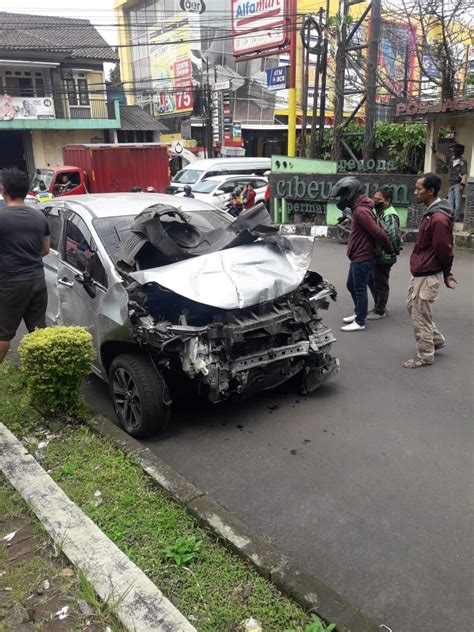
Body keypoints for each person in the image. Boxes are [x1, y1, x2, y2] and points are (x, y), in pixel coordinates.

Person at [402, 173, 456, 369]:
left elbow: (445, 249)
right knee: (412, 306)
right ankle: (436, 340)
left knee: (419, 314)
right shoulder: (431, 213)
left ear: (431, 191)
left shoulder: (438, 218)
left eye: (419, 189)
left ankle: (425, 355)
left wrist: (447, 272)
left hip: (428, 272)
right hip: (420, 271)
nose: (415, 192)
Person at [0, 168, 51, 363]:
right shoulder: (40, 217)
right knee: (38, 332)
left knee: (3, 333)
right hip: (37, 280)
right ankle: (42, 372)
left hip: (10, 283)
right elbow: (45, 250)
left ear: (4, 190)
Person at [330, 176, 392, 332]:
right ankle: (359, 312)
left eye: (343, 194)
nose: (341, 198)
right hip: (358, 255)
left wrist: (388, 247)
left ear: (351, 193)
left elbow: (377, 232)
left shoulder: (361, 211)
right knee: (351, 285)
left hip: (363, 256)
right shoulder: (359, 208)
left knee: (359, 288)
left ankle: (360, 321)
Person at [367, 186, 400, 320]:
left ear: (387, 200)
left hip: (386, 254)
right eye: (374, 198)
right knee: (371, 279)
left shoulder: (390, 215)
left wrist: (390, 250)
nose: (375, 201)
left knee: (381, 281)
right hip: (378, 253)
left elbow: (392, 236)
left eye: (378, 199)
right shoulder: (380, 211)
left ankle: (380, 310)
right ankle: (379, 305)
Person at [432, 142, 468, 222]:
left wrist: (462, 184)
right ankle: (450, 216)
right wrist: (435, 151)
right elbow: (442, 158)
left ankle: (456, 218)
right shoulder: (451, 160)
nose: (453, 152)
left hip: (458, 183)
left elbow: (464, 173)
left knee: (457, 202)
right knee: (450, 201)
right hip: (451, 183)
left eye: (454, 151)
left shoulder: (462, 161)